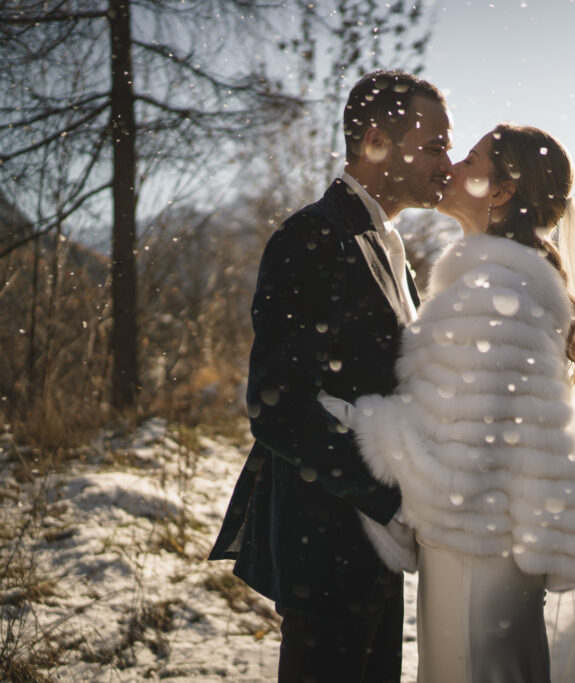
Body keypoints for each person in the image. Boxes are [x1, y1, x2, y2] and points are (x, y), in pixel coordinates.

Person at [322, 123, 575, 683]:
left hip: (474, 551)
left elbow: (462, 455)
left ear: (502, 190)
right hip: (493, 546)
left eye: (469, 158)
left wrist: (350, 417)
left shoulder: (492, 290)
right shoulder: (504, 281)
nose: (452, 168)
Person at [208, 69, 452, 683]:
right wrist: (393, 501)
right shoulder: (314, 236)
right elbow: (277, 408)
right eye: (434, 145)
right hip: (326, 543)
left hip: (374, 548)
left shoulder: (388, 243)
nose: (445, 162)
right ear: (375, 142)